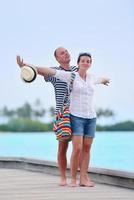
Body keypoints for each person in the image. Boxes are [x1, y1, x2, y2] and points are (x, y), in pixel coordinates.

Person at [17, 52, 110, 187]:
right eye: (83, 60)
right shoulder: (70, 75)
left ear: (90, 63)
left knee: (87, 148)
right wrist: (27, 66)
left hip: (91, 117)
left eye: (88, 61)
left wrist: (106, 79)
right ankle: (70, 178)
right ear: (78, 63)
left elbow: (101, 79)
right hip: (70, 115)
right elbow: (48, 71)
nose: (85, 63)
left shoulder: (91, 77)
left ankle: (83, 178)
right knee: (74, 148)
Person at [16, 47, 78, 186]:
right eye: (62, 53)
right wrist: (24, 66)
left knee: (78, 146)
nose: (66, 53)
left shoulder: (77, 69)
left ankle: (76, 177)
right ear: (57, 58)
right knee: (63, 146)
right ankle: (63, 177)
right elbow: (38, 71)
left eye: (67, 51)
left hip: (78, 113)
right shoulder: (54, 72)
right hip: (63, 113)